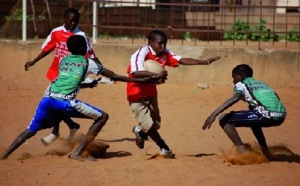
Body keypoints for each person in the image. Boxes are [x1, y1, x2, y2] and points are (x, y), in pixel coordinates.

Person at [0, 35, 157, 161]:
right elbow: (114, 76)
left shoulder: (64, 60)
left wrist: (85, 85)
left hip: (47, 99)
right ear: (84, 49)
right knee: (103, 117)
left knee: (30, 130)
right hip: (65, 102)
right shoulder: (89, 62)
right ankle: (78, 152)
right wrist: (139, 80)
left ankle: (5, 155)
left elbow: (68, 80)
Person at [24, 7, 112, 146]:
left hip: (71, 74)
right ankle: (66, 127)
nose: (73, 24)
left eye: (76, 21)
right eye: (71, 20)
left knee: (58, 103)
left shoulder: (81, 36)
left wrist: (103, 71)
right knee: (56, 103)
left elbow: (91, 54)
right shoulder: (56, 32)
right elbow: (47, 49)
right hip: (56, 72)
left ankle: (57, 132)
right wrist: (34, 61)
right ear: (64, 19)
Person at [127, 30, 220, 158]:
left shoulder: (164, 53)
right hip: (136, 93)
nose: (163, 46)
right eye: (160, 43)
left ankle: (140, 133)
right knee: (147, 124)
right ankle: (164, 147)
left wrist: (204, 62)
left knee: (155, 125)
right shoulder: (141, 53)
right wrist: (157, 75)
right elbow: (136, 72)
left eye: (165, 43)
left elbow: (180, 60)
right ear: (150, 43)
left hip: (151, 92)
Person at [202, 64, 286, 160]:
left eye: (234, 77)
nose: (233, 81)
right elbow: (276, 98)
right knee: (254, 121)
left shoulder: (241, 84)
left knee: (224, 118)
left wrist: (213, 115)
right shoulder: (262, 84)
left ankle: (243, 152)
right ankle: (265, 151)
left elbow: (235, 98)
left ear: (240, 76)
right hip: (281, 115)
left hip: (267, 114)